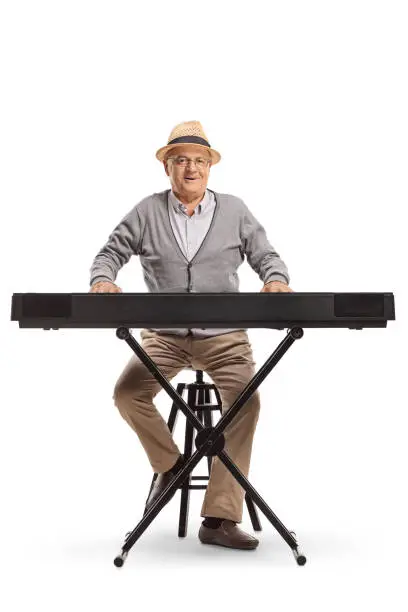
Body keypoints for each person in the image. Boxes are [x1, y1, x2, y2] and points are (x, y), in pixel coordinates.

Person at [89, 120, 293, 550]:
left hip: (225, 340)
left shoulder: (235, 210)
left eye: (200, 161)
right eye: (181, 160)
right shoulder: (147, 211)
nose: (191, 169)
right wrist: (103, 279)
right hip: (163, 338)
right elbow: (111, 252)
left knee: (246, 403)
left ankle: (218, 518)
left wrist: (275, 280)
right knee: (127, 393)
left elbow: (267, 256)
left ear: (209, 168)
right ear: (168, 168)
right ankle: (171, 465)